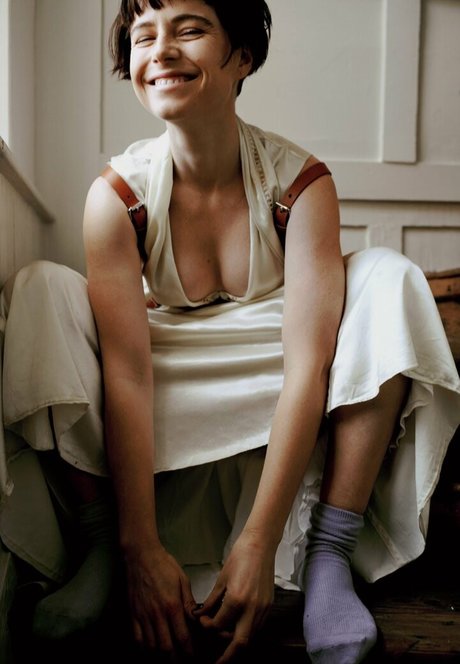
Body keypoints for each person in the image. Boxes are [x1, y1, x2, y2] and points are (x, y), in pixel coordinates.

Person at [1, 1, 459, 663]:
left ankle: (328, 554)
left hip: (279, 365)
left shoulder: (300, 183)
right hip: (166, 369)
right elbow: (127, 373)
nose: (161, 50)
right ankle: (102, 547)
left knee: (389, 274)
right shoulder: (117, 196)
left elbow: (309, 365)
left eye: (189, 29)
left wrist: (261, 542)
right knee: (39, 285)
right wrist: (138, 547)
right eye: (143, 36)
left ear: (242, 57)